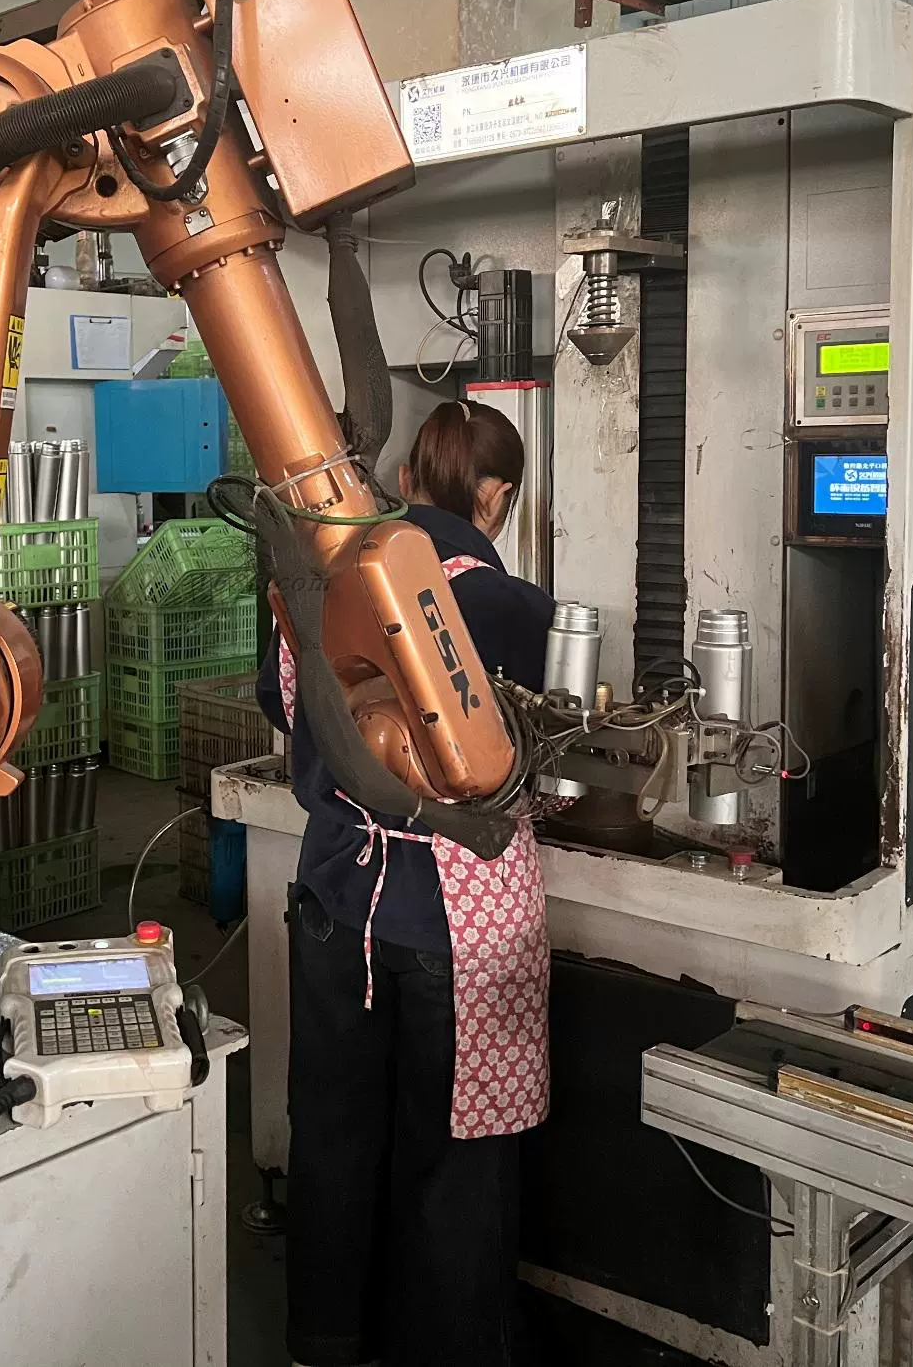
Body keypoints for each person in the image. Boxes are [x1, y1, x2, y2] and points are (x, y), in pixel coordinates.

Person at [257, 398, 556, 1367]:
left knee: (333, 1133)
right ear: (497, 496)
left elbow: (283, 704)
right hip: (454, 923)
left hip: (336, 900)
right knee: (457, 1157)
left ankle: (325, 1340)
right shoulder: (515, 610)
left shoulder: (326, 578)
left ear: (407, 481)